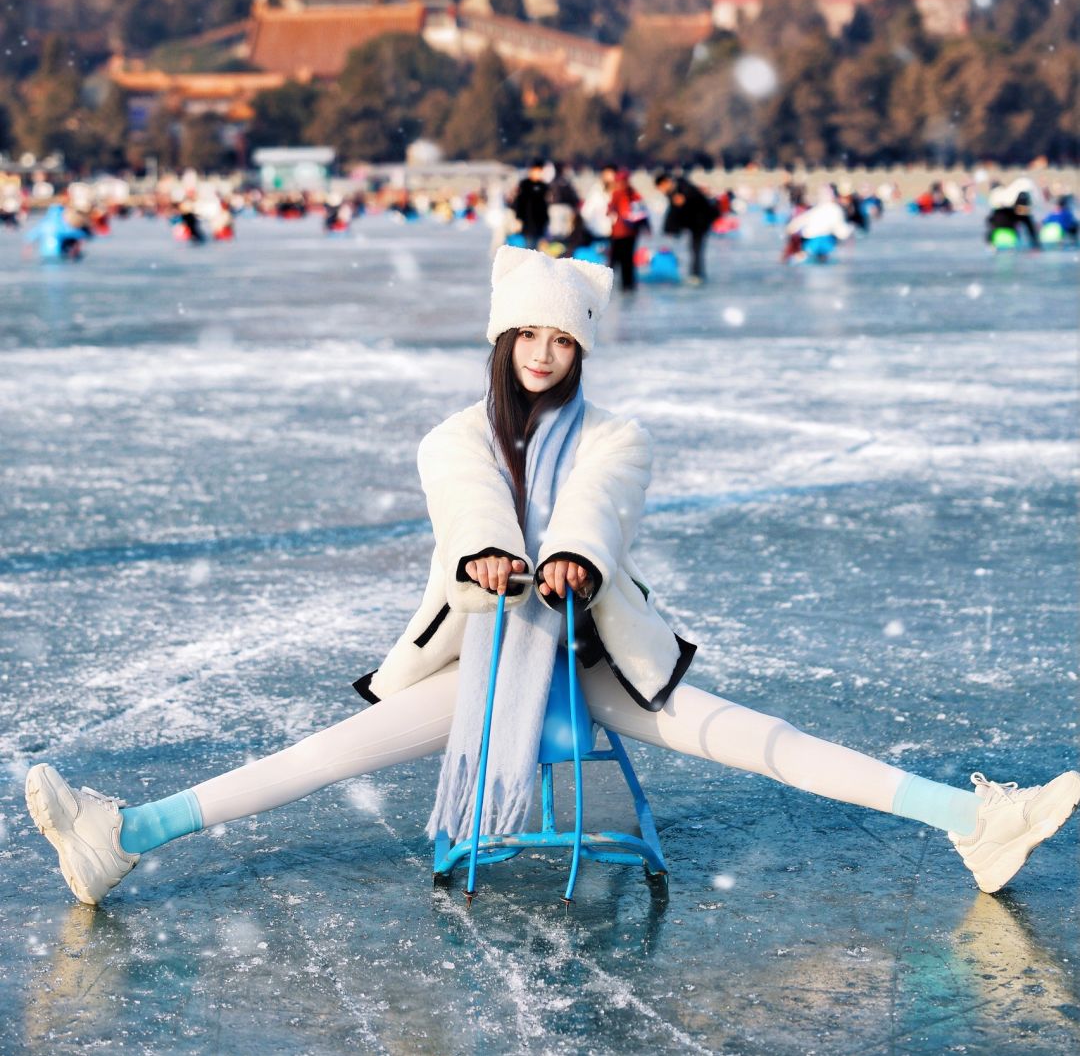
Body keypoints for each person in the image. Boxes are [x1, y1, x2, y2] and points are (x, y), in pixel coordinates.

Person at [25, 248, 1080, 908]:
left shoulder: (618, 435)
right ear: (502, 340)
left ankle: (977, 821)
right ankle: (124, 838)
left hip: (600, 656)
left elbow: (598, 508)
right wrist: (495, 557)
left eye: (558, 336)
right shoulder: (454, 433)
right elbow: (467, 498)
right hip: (479, 659)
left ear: (580, 348)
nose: (540, 350)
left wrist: (570, 556)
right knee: (317, 754)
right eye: (524, 333)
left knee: (763, 741)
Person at [655, 171, 719, 285]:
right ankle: (695, 273)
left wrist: (685, 199)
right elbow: (675, 213)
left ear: (664, 183)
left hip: (700, 223)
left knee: (696, 249)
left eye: (660, 187)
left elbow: (692, 203)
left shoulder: (682, 188)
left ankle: (696, 275)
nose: (661, 191)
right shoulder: (675, 192)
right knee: (693, 250)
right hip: (693, 224)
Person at [603, 166, 648, 292]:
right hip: (618, 233)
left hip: (629, 233)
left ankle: (627, 285)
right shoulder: (619, 194)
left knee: (626, 261)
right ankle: (608, 286)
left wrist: (645, 226)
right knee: (615, 260)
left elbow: (642, 213)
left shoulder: (633, 194)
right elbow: (610, 210)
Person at [510, 161, 550, 250]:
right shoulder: (525, 185)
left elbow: (544, 205)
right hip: (528, 222)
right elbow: (519, 203)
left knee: (540, 249)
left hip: (540, 223)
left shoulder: (543, 186)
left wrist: (547, 220)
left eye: (540, 171)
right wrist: (518, 219)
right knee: (529, 248)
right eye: (537, 171)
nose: (539, 173)